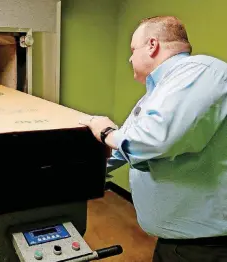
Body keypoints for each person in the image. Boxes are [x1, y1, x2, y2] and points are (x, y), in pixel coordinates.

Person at [80, 16, 227, 261]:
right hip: (176, 241)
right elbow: (126, 146)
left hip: (204, 247)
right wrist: (75, 175)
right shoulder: (161, 90)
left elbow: (151, 140)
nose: (129, 59)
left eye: (132, 50)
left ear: (152, 45)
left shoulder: (201, 72)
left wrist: (105, 131)